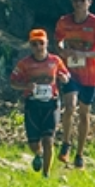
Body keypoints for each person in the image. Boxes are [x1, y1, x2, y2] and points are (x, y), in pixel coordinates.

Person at [52, 0, 95, 168]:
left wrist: (86, 55)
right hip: (70, 72)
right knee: (69, 106)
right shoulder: (64, 21)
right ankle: (66, 143)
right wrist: (63, 51)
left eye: (82, 0)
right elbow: (57, 43)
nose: (78, 4)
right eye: (76, 0)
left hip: (90, 75)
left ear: (89, 2)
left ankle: (79, 154)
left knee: (84, 113)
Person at [10, 29, 69, 176]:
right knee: (33, 143)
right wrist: (25, 86)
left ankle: (46, 174)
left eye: (41, 43)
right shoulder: (24, 63)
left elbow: (66, 74)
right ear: (30, 45)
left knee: (48, 140)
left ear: (46, 43)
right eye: (34, 44)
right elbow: (12, 82)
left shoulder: (55, 61)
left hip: (51, 104)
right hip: (33, 104)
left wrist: (64, 78)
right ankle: (38, 154)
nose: (38, 47)